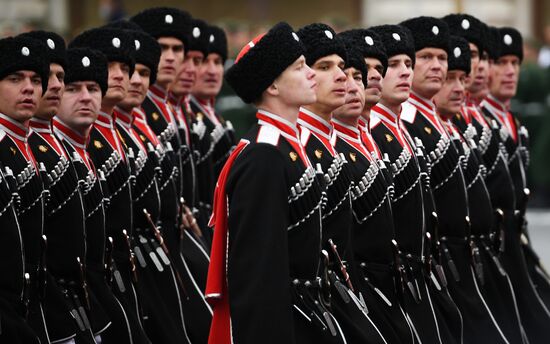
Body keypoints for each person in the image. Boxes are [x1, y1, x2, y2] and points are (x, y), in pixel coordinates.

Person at [206, 22, 345, 343]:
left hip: (307, 309)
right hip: (287, 318)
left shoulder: (286, 144)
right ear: (273, 86)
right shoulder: (265, 155)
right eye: (299, 67)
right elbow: (259, 272)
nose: (311, 73)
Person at [296, 22, 387, 343]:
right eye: (326, 67)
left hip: (360, 286)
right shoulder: (293, 147)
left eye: (351, 73)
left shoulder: (332, 141)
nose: (345, 81)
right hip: (320, 299)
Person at [442, 14, 528, 343]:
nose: (480, 66)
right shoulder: (455, 122)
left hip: (502, 244)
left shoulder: (504, 122)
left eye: (482, 57)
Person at [22, 30, 109, 344]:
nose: (54, 84)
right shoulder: (23, 146)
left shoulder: (66, 145)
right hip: (44, 305)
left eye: (61, 76)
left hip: (81, 296)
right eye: (49, 76)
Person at [69, 27, 154, 344]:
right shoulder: (85, 135)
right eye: (111, 67)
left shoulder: (117, 129)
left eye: (127, 68)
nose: (123, 77)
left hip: (129, 265)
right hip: (89, 279)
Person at [333, 30, 416, 344]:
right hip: (358, 284)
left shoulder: (373, 135)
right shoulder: (330, 144)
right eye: (352, 73)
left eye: (373, 71)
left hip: (396, 275)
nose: (370, 79)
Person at [0, 34, 80, 344]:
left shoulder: (26, 142)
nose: (29, 88)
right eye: (14, 78)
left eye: (36, 79)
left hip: (42, 305)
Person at [432, 34, 510, 343]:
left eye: (460, 78)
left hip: (476, 251)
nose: (460, 85)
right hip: (439, 263)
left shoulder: (460, 123)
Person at [369, 24, 443, 343]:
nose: (404, 72)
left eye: (408, 64)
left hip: (420, 273)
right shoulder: (374, 132)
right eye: (393, 65)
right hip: (390, 280)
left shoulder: (402, 129)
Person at [481, 26, 550, 344]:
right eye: (500, 62)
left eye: (515, 63)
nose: (510, 72)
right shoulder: (482, 125)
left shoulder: (510, 121)